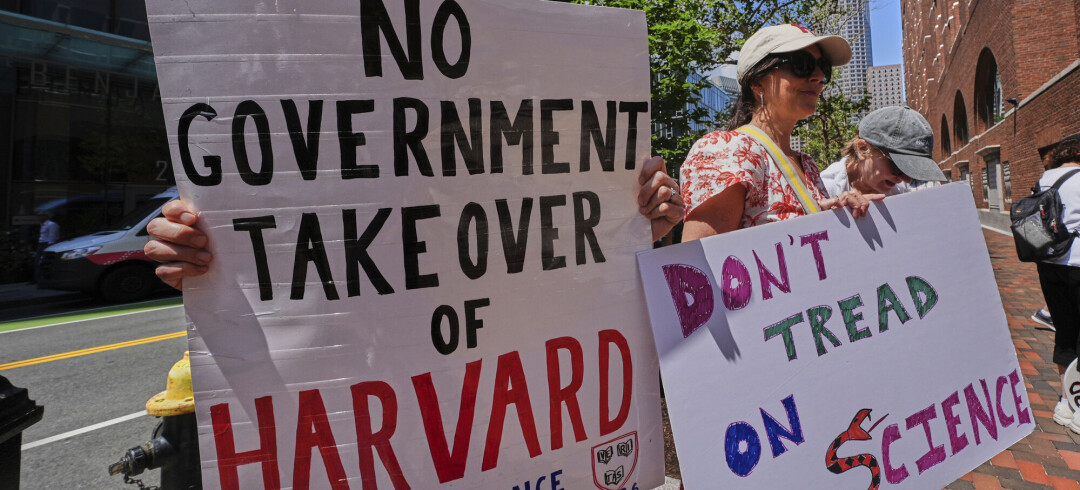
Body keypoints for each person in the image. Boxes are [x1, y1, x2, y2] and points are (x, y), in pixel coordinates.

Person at [680, 24, 875, 243]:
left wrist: (838, 217)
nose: (819, 76)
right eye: (802, 64)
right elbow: (700, 260)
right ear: (757, 82)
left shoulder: (807, 164)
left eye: (824, 68)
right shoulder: (728, 150)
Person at [1036, 133, 1080, 434]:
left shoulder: (1045, 179)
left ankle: (1066, 402)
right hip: (1078, 261)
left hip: (1049, 264)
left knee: (1065, 333)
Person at [819, 106, 947, 198]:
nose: (907, 179)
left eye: (913, 170)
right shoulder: (824, 190)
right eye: (899, 166)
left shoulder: (910, 190)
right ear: (863, 149)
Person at [33, 211, 59, 284]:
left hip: (46, 244)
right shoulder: (42, 225)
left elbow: (52, 237)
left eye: (41, 216)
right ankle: (37, 278)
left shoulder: (51, 224)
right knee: (37, 261)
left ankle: (45, 278)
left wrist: (49, 246)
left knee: (44, 261)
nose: (39, 218)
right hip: (41, 244)